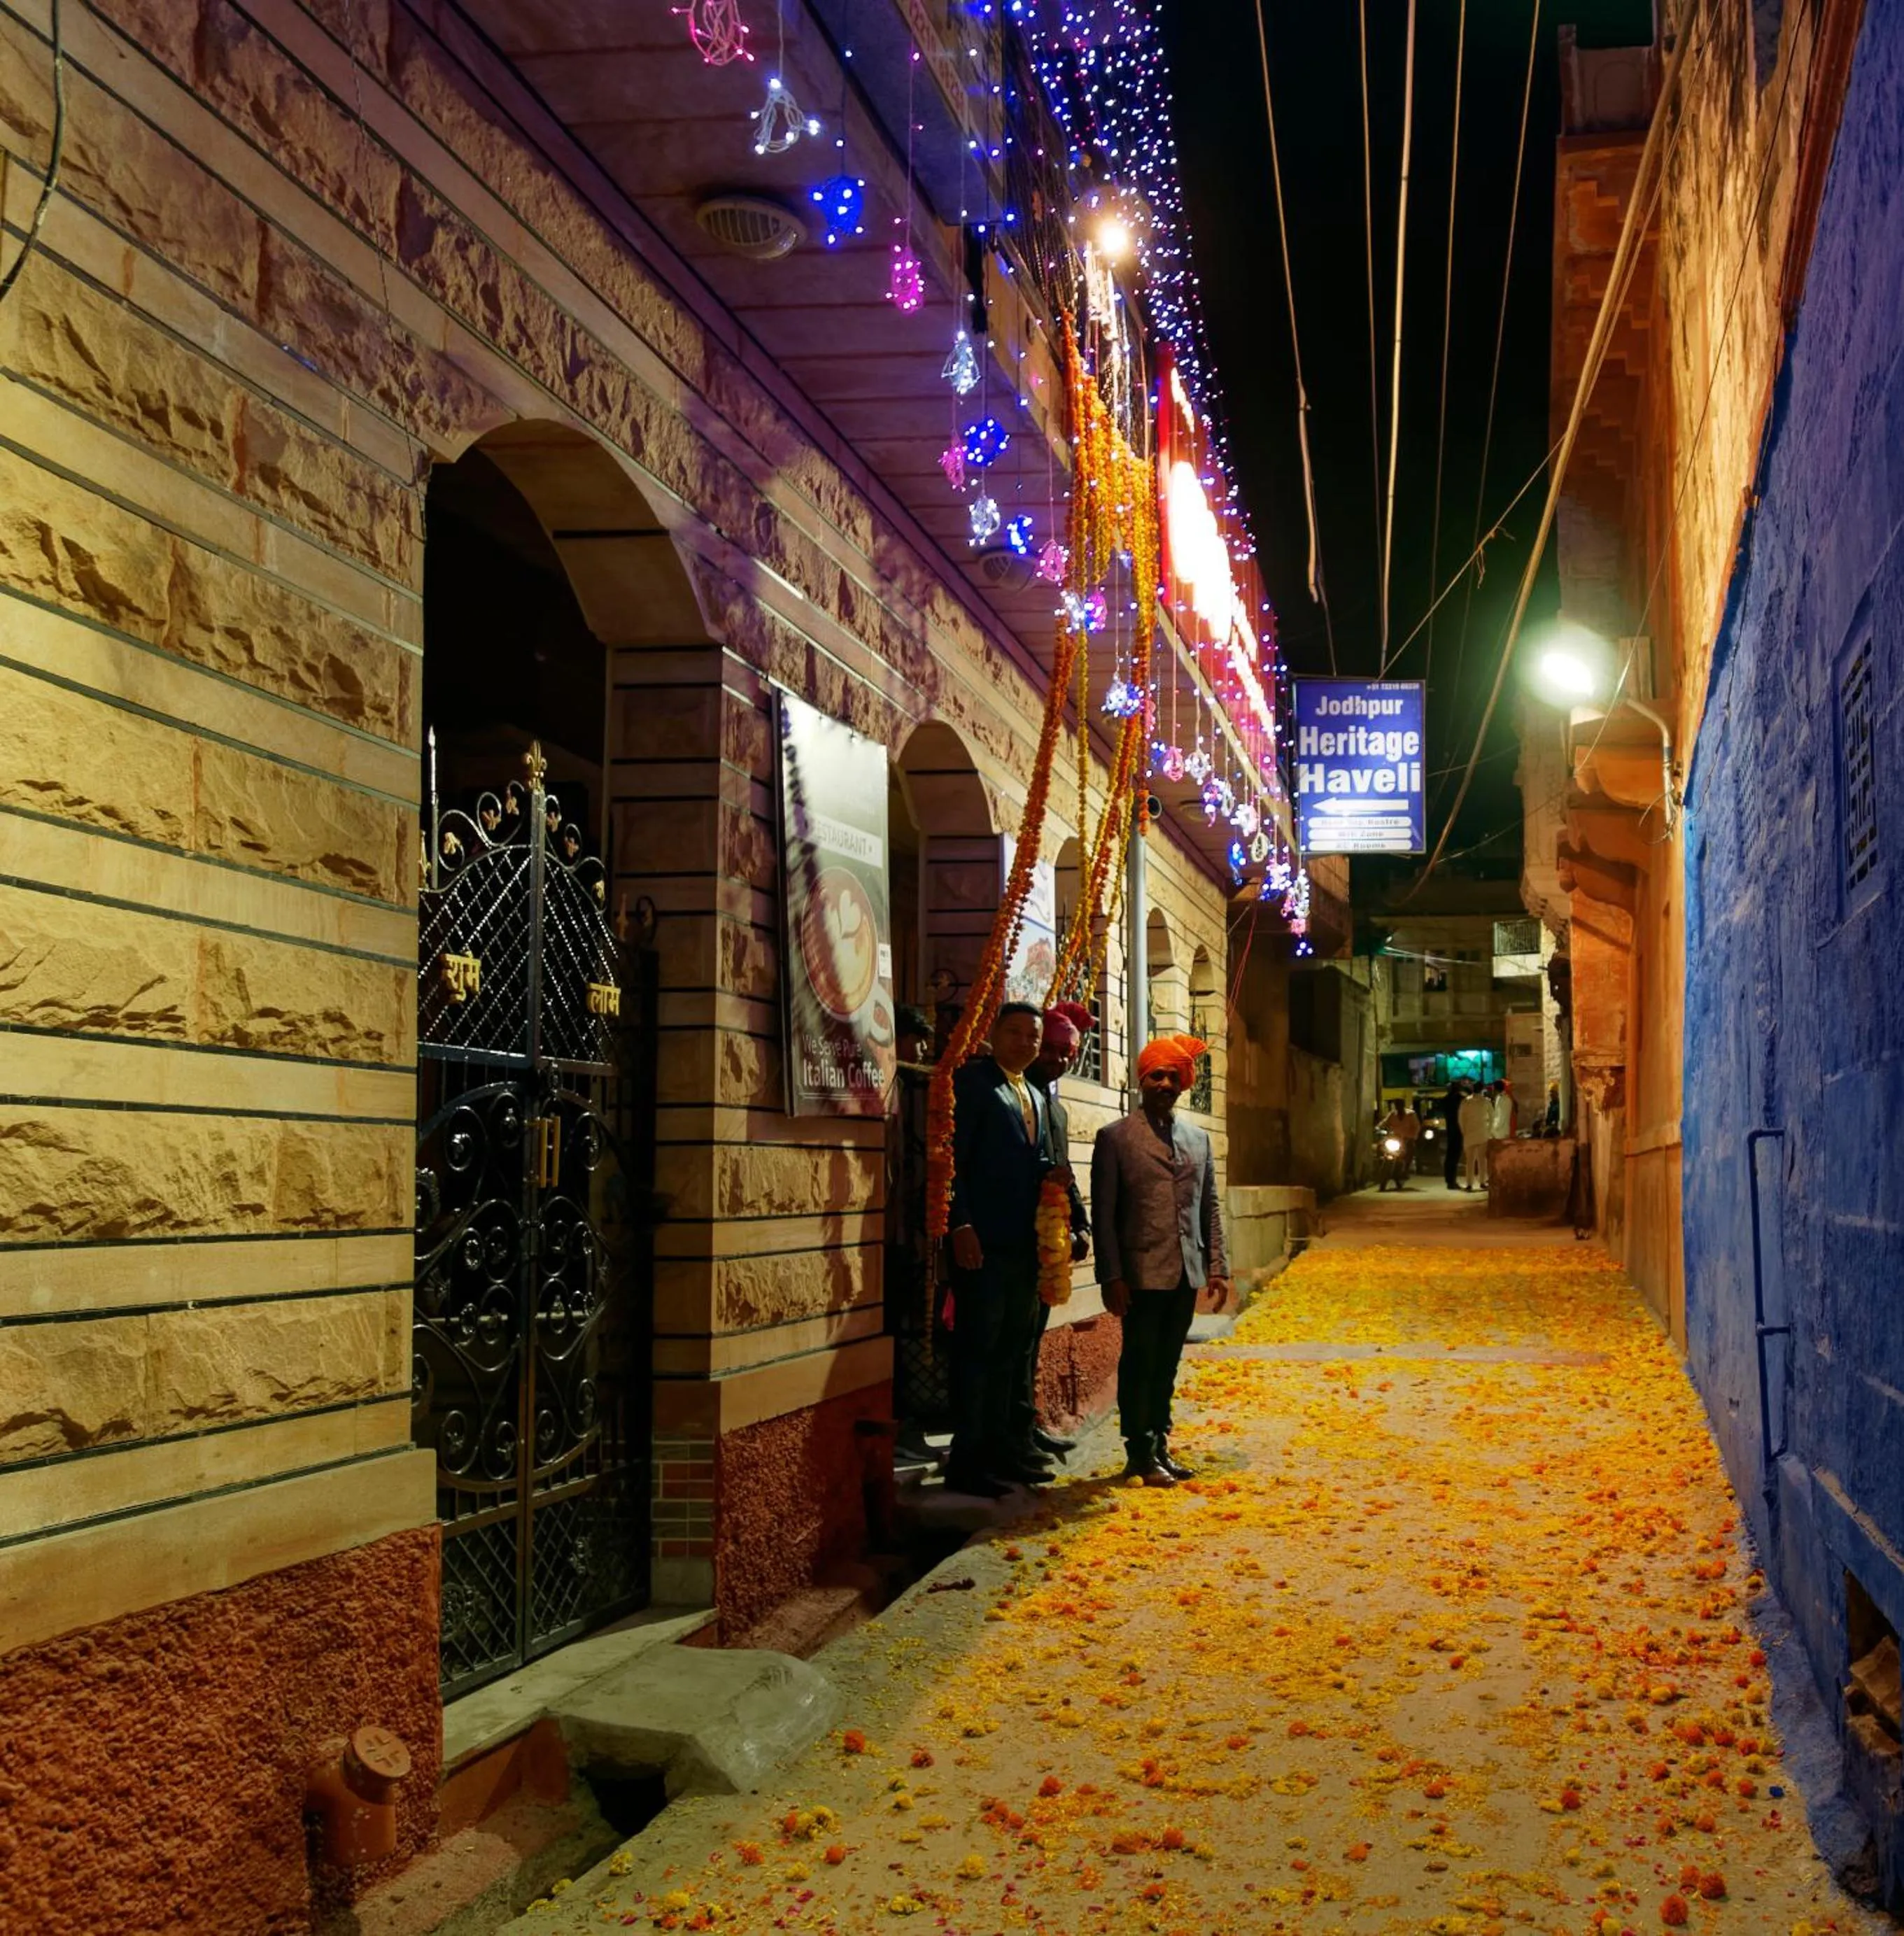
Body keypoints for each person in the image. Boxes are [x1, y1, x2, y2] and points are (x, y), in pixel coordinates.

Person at [1092, 1033, 1229, 1488]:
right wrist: (1110, 1275)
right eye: (1158, 1075)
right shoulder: (1115, 1138)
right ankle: (1138, 1451)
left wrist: (1216, 1265)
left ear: (1184, 1083)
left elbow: (1208, 1204)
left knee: (1167, 1363)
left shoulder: (1197, 1138)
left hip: (1185, 1272)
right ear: (1142, 1079)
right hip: (1139, 1275)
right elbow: (1104, 1212)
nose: (1166, 1082)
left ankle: (1160, 1446)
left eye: (1174, 1076)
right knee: (1139, 1362)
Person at [945, 1003, 1052, 1497]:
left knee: (1014, 1350)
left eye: (1034, 1034)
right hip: (982, 1243)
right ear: (992, 1033)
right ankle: (967, 1461)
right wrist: (960, 1223)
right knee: (978, 1351)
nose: (1026, 1041)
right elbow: (952, 1161)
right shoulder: (972, 1083)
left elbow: (1042, 1162)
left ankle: (1006, 1452)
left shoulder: (1034, 1093)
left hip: (1025, 1247)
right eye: (1015, 1032)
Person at [1017, 1001, 1094, 1470]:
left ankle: (1027, 1429)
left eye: (1067, 1052)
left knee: (1031, 1338)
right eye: (1049, 1048)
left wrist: (1079, 1223)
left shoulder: (1055, 1107)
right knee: (1011, 1344)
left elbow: (1065, 1174)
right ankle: (1010, 1436)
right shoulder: (1016, 1097)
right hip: (1012, 1240)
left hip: (1049, 1241)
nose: (1058, 1058)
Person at [1458, 1082, 1493, 1190]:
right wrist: (1489, 1131)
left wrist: (1464, 1131)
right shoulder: (1486, 1102)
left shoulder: (1466, 1102)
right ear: (1482, 1090)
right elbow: (1492, 1117)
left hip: (1469, 1135)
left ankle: (1469, 1184)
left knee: (1470, 1161)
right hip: (1482, 1134)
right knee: (1482, 1160)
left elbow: (1461, 1119)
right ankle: (1482, 1182)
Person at [1381, 1099, 1420, 1187]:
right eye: (1397, 1105)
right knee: (1383, 1149)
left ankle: (1405, 1170)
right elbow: (1384, 1123)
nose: (1398, 1106)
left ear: (1403, 1105)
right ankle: (1383, 1173)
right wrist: (1379, 1128)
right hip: (1395, 1139)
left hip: (1407, 1139)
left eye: (1400, 1104)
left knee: (1410, 1152)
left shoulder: (1411, 1114)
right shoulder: (1392, 1114)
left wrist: (1412, 1137)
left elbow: (1416, 1127)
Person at [1439, 1077, 1469, 1189]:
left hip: (1450, 1130)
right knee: (1455, 1157)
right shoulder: (1461, 1099)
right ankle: (1452, 1182)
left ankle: (1449, 1180)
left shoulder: (1445, 1100)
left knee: (1450, 1157)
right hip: (1459, 1130)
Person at [1490, 1078, 1516, 1144]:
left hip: (1500, 1132)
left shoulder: (1501, 1099)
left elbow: (1500, 1116)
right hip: (1504, 1130)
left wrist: (1493, 1129)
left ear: (1495, 1089)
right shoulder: (1506, 1098)